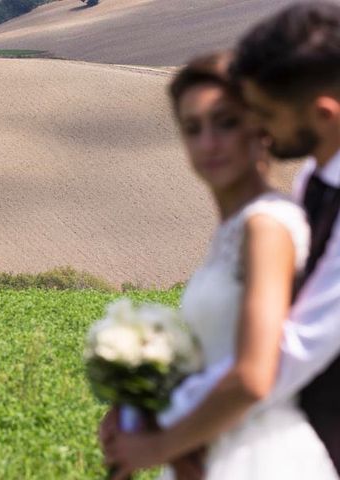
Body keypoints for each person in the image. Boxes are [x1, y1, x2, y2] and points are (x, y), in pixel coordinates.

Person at [101, 2, 340, 478]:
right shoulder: (311, 182)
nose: (209, 143)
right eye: (192, 129)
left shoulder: (269, 223)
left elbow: (285, 354)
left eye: (238, 119)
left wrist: (167, 429)